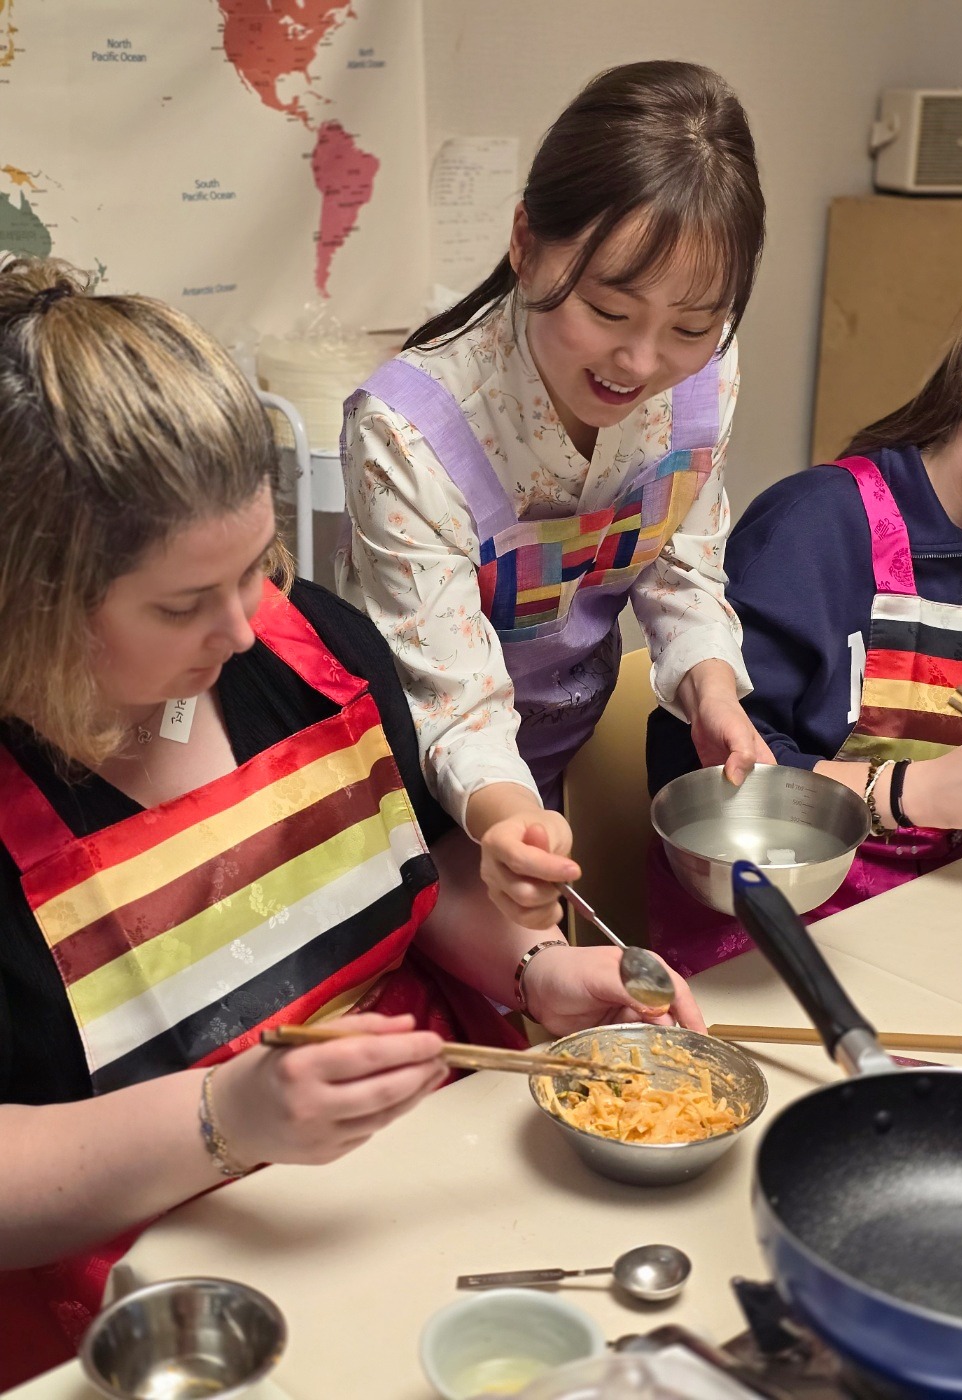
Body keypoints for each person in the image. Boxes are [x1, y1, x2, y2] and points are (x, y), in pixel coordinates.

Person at [0, 257, 702, 1390]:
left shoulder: (306, 645)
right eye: (183, 603)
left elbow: (415, 871)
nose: (243, 625)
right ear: (23, 595)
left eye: (258, 563)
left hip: (416, 1189)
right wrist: (227, 1118)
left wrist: (534, 969)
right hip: (168, 1303)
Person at [339, 59, 772, 944]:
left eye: (691, 327)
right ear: (526, 240)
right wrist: (506, 823)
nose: (642, 364)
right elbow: (452, 703)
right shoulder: (410, 433)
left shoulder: (706, 376)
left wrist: (713, 688)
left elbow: (683, 566)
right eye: (610, 310)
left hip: (556, 751)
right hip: (406, 774)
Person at [646, 252, 962, 976]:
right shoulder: (816, 529)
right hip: (779, 928)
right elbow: (695, 776)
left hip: (958, 917)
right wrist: (910, 790)